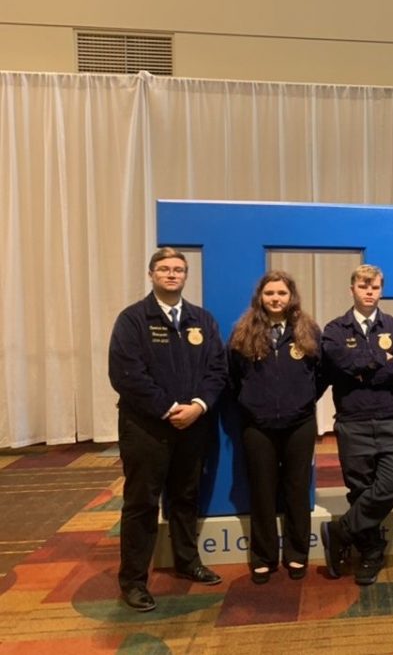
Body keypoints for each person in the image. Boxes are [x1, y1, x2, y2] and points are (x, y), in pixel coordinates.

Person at [108, 247, 227, 611]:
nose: (172, 274)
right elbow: (126, 375)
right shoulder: (132, 320)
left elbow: (217, 370)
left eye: (178, 269)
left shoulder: (202, 321)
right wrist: (167, 408)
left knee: (185, 497)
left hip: (193, 426)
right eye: (164, 269)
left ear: (185, 276)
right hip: (145, 429)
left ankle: (188, 563)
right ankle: (133, 581)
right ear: (151, 275)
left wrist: (198, 407)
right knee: (142, 504)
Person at [320, 264, 393, 585]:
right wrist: (379, 360)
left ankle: (341, 530)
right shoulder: (334, 330)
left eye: (375, 286)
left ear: (382, 290)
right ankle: (371, 553)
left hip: (391, 419)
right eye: (363, 286)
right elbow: (341, 365)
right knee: (360, 490)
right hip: (352, 422)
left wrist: (362, 368)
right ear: (352, 290)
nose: (369, 291)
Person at [229, 271, 325, 584]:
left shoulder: (308, 330)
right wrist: (250, 402)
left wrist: (304, 399)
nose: (275, 299)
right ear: (260, 297)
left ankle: (297, 555)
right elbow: (232, 377)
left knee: (297, 490)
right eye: (269, 293)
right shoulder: (243, 332)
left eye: (281, 293)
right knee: (262, 492)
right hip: (258, 427)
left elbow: (321, 373)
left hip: (300, 424)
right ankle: (263, 557)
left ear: (291, 296)